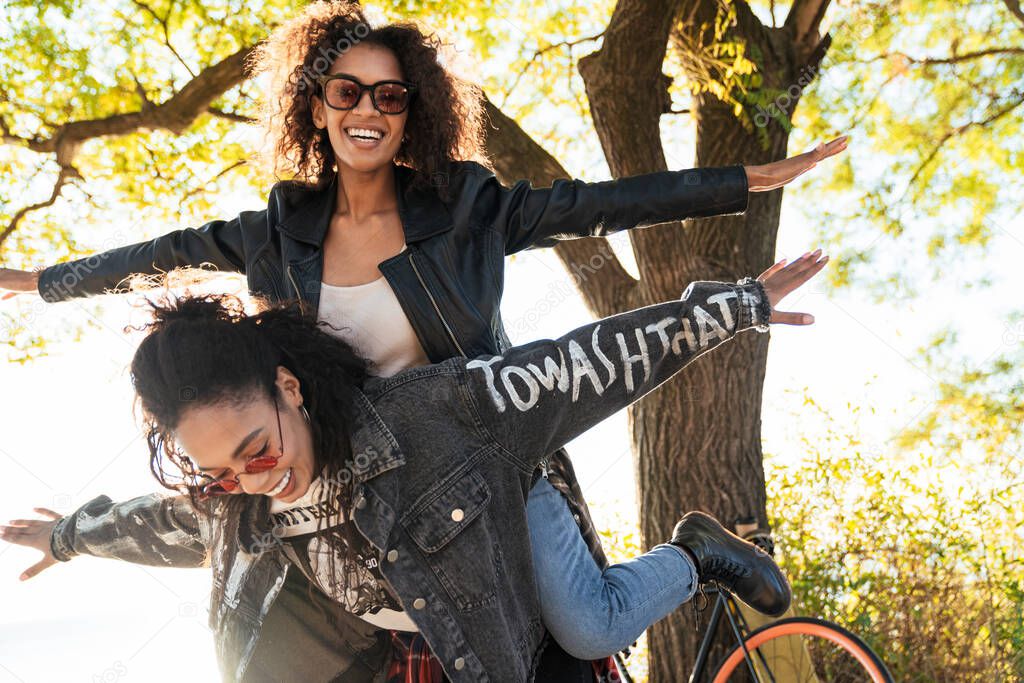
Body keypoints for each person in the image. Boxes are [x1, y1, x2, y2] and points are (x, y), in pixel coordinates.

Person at [0, 2, 847, 676]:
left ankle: (696, 554)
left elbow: (590, 208)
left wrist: (738, 185)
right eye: (346, 91)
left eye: (390, 95)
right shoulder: (274, 234)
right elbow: (162, 259)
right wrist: (40, 283)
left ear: (413, 114)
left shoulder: (466, 210)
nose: (367, 109)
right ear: (316, 104)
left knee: (588, 625)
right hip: (351, 474)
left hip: (478, 448)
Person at [1, 251, 827, 682]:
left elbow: (583, 363)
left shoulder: (436, 413)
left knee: (590, 623)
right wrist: (71, 534)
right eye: (220, 472)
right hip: (423, 632)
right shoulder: (239, 500)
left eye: (255, 447)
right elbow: (160, 521)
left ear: (287, 387)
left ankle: (698, 554)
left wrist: (733, 308)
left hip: (494, 518)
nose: (253, 478)